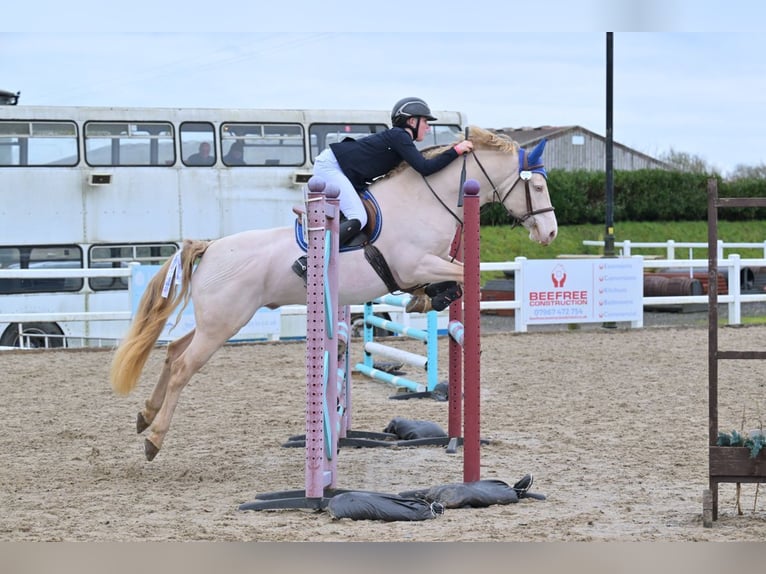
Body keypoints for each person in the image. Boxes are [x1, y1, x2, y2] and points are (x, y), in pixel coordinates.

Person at [292, 96, 474, 281]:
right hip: (332, 166)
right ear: (412, 121)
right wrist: (456, 151)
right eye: (425, 121)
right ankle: (311, 259)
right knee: (359, 217)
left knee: (356, 215)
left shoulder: (401, 140)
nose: (428, 127)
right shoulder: (400, 136)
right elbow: (425, 168)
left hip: (343, 170)